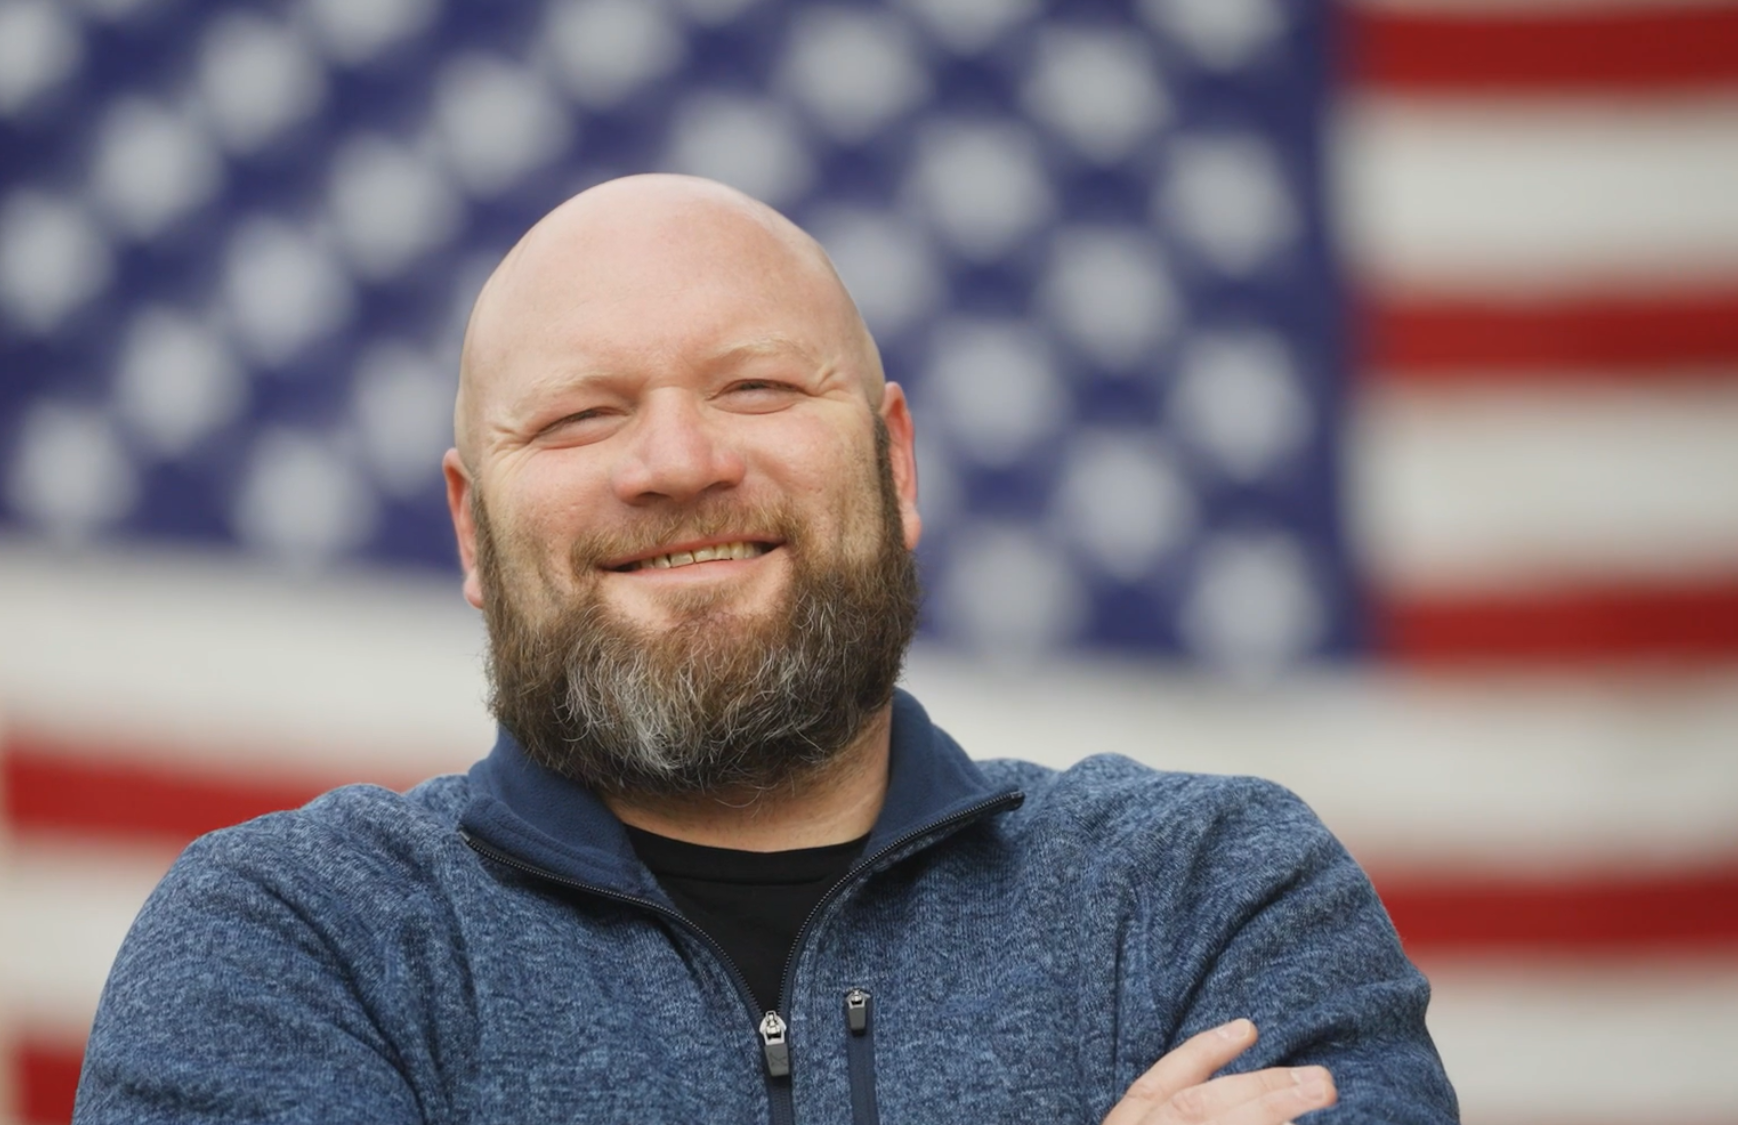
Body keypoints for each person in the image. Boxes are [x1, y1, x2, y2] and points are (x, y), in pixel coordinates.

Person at [73, 175, 1459, 1125]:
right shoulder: (294, 941)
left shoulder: (1207, 897)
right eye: (577, 419)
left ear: (895, 458)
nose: (677, 462)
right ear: (469, 528)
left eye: (755, 385)